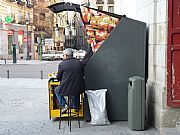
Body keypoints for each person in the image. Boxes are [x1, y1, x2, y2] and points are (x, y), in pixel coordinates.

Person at [54, 48, 86, 113]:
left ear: (65, 55)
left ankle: (64, 105)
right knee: (75, 89)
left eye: (63, 55)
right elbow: (82, 74)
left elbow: (58, 78)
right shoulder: (79, 63)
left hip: (66, 89)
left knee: (56, 90)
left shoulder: (62, 64)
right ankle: (76, 107)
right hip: (80, 88)